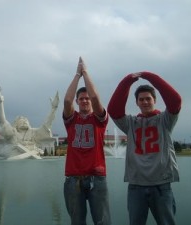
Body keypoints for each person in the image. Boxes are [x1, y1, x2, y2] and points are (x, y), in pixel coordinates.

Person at [107, 72, 182, 225]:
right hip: (136, 186)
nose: (145, 102)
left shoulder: (165, 120)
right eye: (141, 99)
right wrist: (128, 81)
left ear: (155, 100)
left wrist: (149, 76)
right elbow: (114, 110)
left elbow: (175, 101)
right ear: (137, 103)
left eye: (148, 98)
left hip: (162, 185)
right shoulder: (130, 123)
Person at [63, 57, 111, 225]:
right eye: (81, 99)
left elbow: (96, 99)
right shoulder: (72, 119)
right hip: (73, 179)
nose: (85, 100)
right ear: (78, 102)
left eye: (87, 98)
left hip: (96, 178)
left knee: (102, 221)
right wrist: (77, 74)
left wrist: (86, 72)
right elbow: (67, 101)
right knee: (77, 222)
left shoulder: (99, 119)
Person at [0, 86, 59, 158]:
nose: (24, 121)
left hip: (33, 163)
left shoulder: (34, 133)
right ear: (16, 124)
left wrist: (54, 109)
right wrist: (0, 102)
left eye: (26, 120)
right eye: (21, 120)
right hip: (14, 163)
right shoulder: (12, 133)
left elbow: (47, 125)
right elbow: (2, 122)